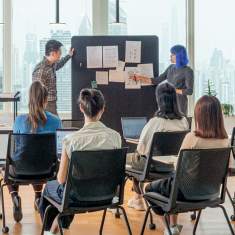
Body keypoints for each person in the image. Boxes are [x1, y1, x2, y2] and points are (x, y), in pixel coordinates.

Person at [39, 88, 122, 235]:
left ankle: (49, 231)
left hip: (77, 198)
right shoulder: (115, 137)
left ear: (81, 108)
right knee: (66, 192)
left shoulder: (71, 140)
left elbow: (61, 179)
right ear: (103, 108)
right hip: (108, 196)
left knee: (49, 189)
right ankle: (57, 229)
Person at [145, 95, 229, 235]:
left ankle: (170, 227)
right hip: (211, 193)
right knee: (169, 187)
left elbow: (178, 168)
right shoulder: (225, 141)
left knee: (149, 188)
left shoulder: (192, 138)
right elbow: (227, 169)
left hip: (184, 192)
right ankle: (172, 226)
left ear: (199, 116)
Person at [127, 82, 189, 211]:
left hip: (152, 166)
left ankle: (136, 199)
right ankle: (137, 198)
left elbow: (141, 149)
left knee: (126, 159)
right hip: (172, 166)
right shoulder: (184, 121)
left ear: (159, 99)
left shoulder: (155, 122)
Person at [11, 81, 62, 223]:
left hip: (21, 170)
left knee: (13, 162)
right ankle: (38, 197)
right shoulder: (56, 121)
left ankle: (15, 196)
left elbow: (16, 148)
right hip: (47, 170)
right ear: (46, 99)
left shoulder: (19, 120)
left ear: (30, 99)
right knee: (39, 158)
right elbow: (59, 149)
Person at [132, 45, 194, 115]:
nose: (170, 56)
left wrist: (173, 90)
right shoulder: (171, 67)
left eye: (172, 54)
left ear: (179, 56)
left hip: (180, 104)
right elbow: (157, 80)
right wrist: (140, 78)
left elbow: (189, 91)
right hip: (168, 102)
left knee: (178, 125)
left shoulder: (188, 71)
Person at [32, 39, 74, 115]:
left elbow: (60, 64)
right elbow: (36, 93)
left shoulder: (52, 65)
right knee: (54, 125)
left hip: (52, 103)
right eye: (59, 52)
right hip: (45, 105)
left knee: (55, 125)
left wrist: (69, 55)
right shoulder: (41, 70)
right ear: (53, 53)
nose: (60, 54)